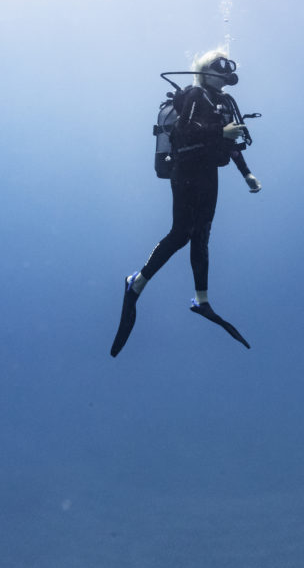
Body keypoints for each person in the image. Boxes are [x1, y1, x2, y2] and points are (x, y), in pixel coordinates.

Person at [110, 50, 261, 357]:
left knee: (202, 235)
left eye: (228, 66)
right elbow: (184, 131)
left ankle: (201, 300)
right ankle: (136, 283)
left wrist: (247, 174)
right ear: (204, 71)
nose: (225, 71)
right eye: (219, 65)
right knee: (181, 233)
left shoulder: (224, 103)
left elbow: (230, 144)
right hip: (187, 169)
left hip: (207, 172)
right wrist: (220, 131)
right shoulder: (194, 95)